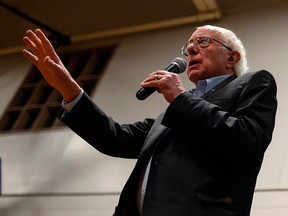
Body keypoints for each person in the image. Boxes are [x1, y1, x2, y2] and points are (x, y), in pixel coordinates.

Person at [22, 25, 277, 216]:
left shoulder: (253, 83)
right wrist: (69, 88)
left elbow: (247, 139)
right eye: (187, 46)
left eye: (203, 41)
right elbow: (116, 138)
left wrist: (179, 97)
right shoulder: (174, 111)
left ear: (232, 58)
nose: (190, 49)